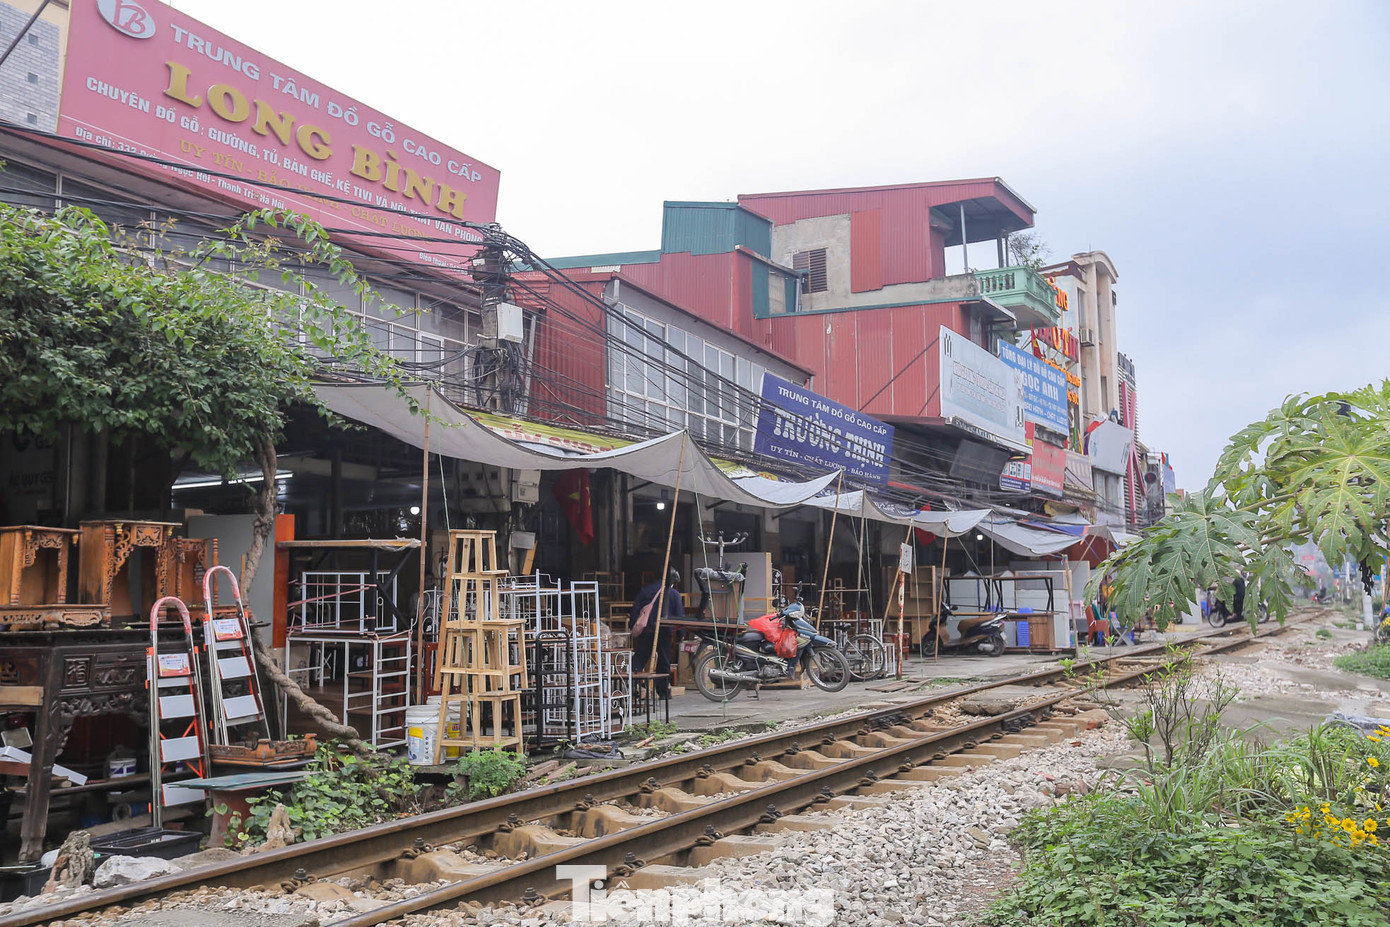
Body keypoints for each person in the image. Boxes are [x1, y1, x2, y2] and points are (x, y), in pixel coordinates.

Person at [630, 569, 683, 698]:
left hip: (647, 631)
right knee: (663, 662)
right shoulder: (674, 595)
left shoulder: (646, 590)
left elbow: (636, 610)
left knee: (639, 659)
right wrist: (681, 634)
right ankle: (663, 691)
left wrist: (633, 627)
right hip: (664, 632)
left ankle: (631, 686)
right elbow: (680, 616)